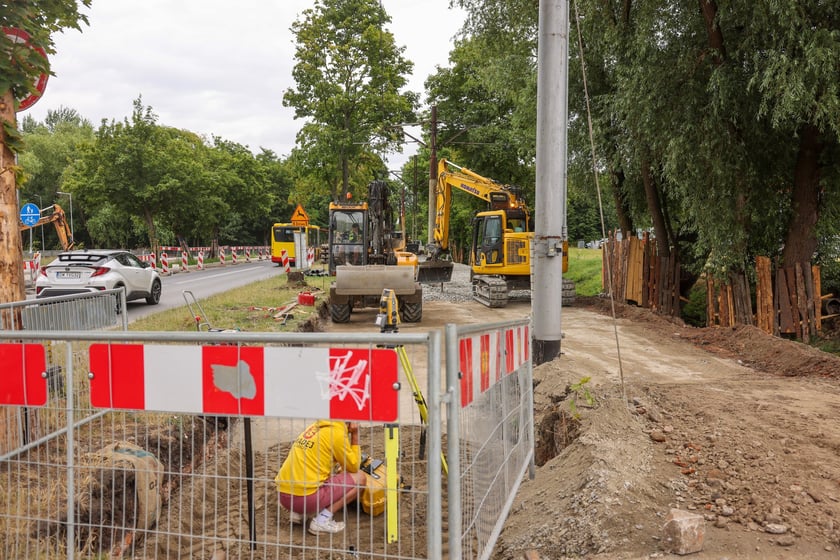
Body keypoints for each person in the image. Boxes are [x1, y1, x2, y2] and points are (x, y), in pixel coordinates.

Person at [275, 420, 366, 535]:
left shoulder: (315, 427)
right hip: (304, 499)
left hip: (284, 497)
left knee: (316, 471)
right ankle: (322, 521)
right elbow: (354, 467)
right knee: (360, 478)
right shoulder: (336, 433)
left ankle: (298, 514)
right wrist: (355, 435)